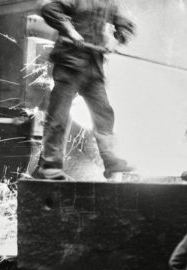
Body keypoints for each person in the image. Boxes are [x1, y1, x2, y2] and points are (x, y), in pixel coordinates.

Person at [35, 0, 136, 180]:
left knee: (104, 114)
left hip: (93, 68)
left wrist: (117, 39)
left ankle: (110, 160)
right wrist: (70, 30)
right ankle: (50, 165)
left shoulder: (107, 3)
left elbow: (125, 23)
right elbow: (49, 9)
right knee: (59, 116)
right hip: (69, 65)